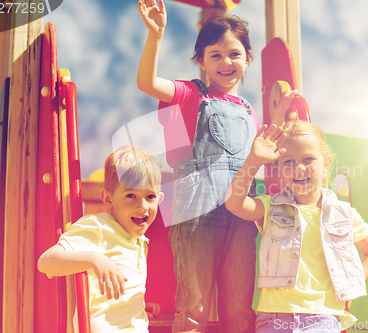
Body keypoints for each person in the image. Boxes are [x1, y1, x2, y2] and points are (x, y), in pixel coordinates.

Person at [136, 1, 295, 332]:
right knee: (194, 307)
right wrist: (155, 35)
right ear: (202, 61)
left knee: (239, 307)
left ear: (248, 57)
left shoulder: (252, 112)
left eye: (235, 54)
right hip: (196, 217)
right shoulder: (191, 94)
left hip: (240, 221)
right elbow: (148, 82)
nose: (226, 62)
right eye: (216, 55)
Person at [225, 121, 368, 333]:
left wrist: (348, 283)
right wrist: (253, 161)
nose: (298, 168)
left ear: (326, 163)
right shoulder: (271, 206)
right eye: (288, 161)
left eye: (308, 159)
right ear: (279, 168)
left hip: (324, 316)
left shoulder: (344, 214)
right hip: (275, 317)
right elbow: (234, 203)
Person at [38, 145, 164, 332]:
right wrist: (94, 259)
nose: (142, 206)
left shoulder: (138, 240)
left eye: (150, 196)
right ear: (108, 199)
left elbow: (111, 295)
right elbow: (46, 262)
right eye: (131, 195)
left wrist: (136, 303)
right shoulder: (98, 228)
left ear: (159, 199)